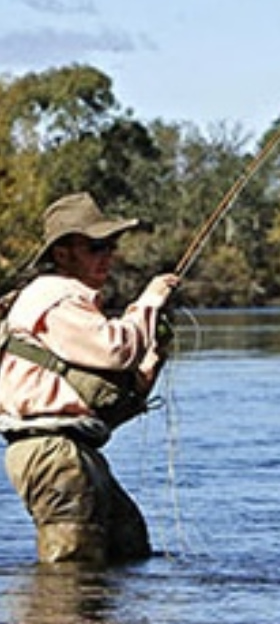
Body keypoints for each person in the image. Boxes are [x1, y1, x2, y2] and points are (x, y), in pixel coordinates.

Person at [0, 192, 180, 566]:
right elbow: (116, 349)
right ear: (62, 254)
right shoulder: (56, 297)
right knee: (71, 573)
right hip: (52, 454)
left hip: (72, 450)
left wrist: (154, 358)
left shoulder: (67, 303)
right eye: (95, 246)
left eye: (110, 246)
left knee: (128, 550)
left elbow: (103, 397)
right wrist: (149, 301)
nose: (107, 256)